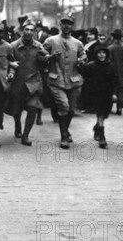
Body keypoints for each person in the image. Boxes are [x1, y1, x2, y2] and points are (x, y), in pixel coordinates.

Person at [42, 15, 87, 149]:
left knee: (71, 110)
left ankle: (66, 131)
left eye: (69, 24)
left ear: (72, 26)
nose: (67, 26)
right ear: (60, 25)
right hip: (57, 79)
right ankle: (63, 137)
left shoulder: (77, 43)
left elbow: (83, 55)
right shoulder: (51, 40)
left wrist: (82, 60)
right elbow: (40, 55)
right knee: (64, 107)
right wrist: (50, 57)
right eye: (64, 23)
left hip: (74, 80)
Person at [6, 19, 49, 146]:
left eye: (32, 30)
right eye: (27, 29)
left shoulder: (39, 46)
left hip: (33, 83)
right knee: (16, 109)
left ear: (35, 32)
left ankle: (26, 135)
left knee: (32, 108)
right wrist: (11, 72)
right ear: (22, 31)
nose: (29, 32)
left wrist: (47, 57)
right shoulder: (13, 46)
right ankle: (17, 125)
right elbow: (9, 61)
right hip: (17, 83)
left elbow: (44, 60)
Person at [78, 44, 118, 149]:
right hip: (95, 93)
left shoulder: (111, 66)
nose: (101, 55)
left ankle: (97, 128)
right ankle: (102, 137)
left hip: (107, 94)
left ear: (106, 54)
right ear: (96, 54)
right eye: (99, 53)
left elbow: (114, 81)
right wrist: (79, 64)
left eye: (103, 53)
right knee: (100, 114)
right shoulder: (91, 65)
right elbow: (82, 71)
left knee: (104, 114)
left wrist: (114, 93)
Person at [107, 29, 123, 115]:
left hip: (113, 72)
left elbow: (109, 61)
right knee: (121, 90)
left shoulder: (110, 48)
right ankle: (119, 108)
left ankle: (110, 107)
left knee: (112, 90)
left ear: (113, 37)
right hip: (122, 73)